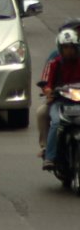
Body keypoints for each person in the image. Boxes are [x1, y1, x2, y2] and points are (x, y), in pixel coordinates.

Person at [38, 19, 80, 156]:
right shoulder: (55, 59)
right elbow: (46, 80)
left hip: (78, 98)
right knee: (42, 113)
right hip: (59, 98)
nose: (69, 50)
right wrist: (49, 92)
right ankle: (46, 148)